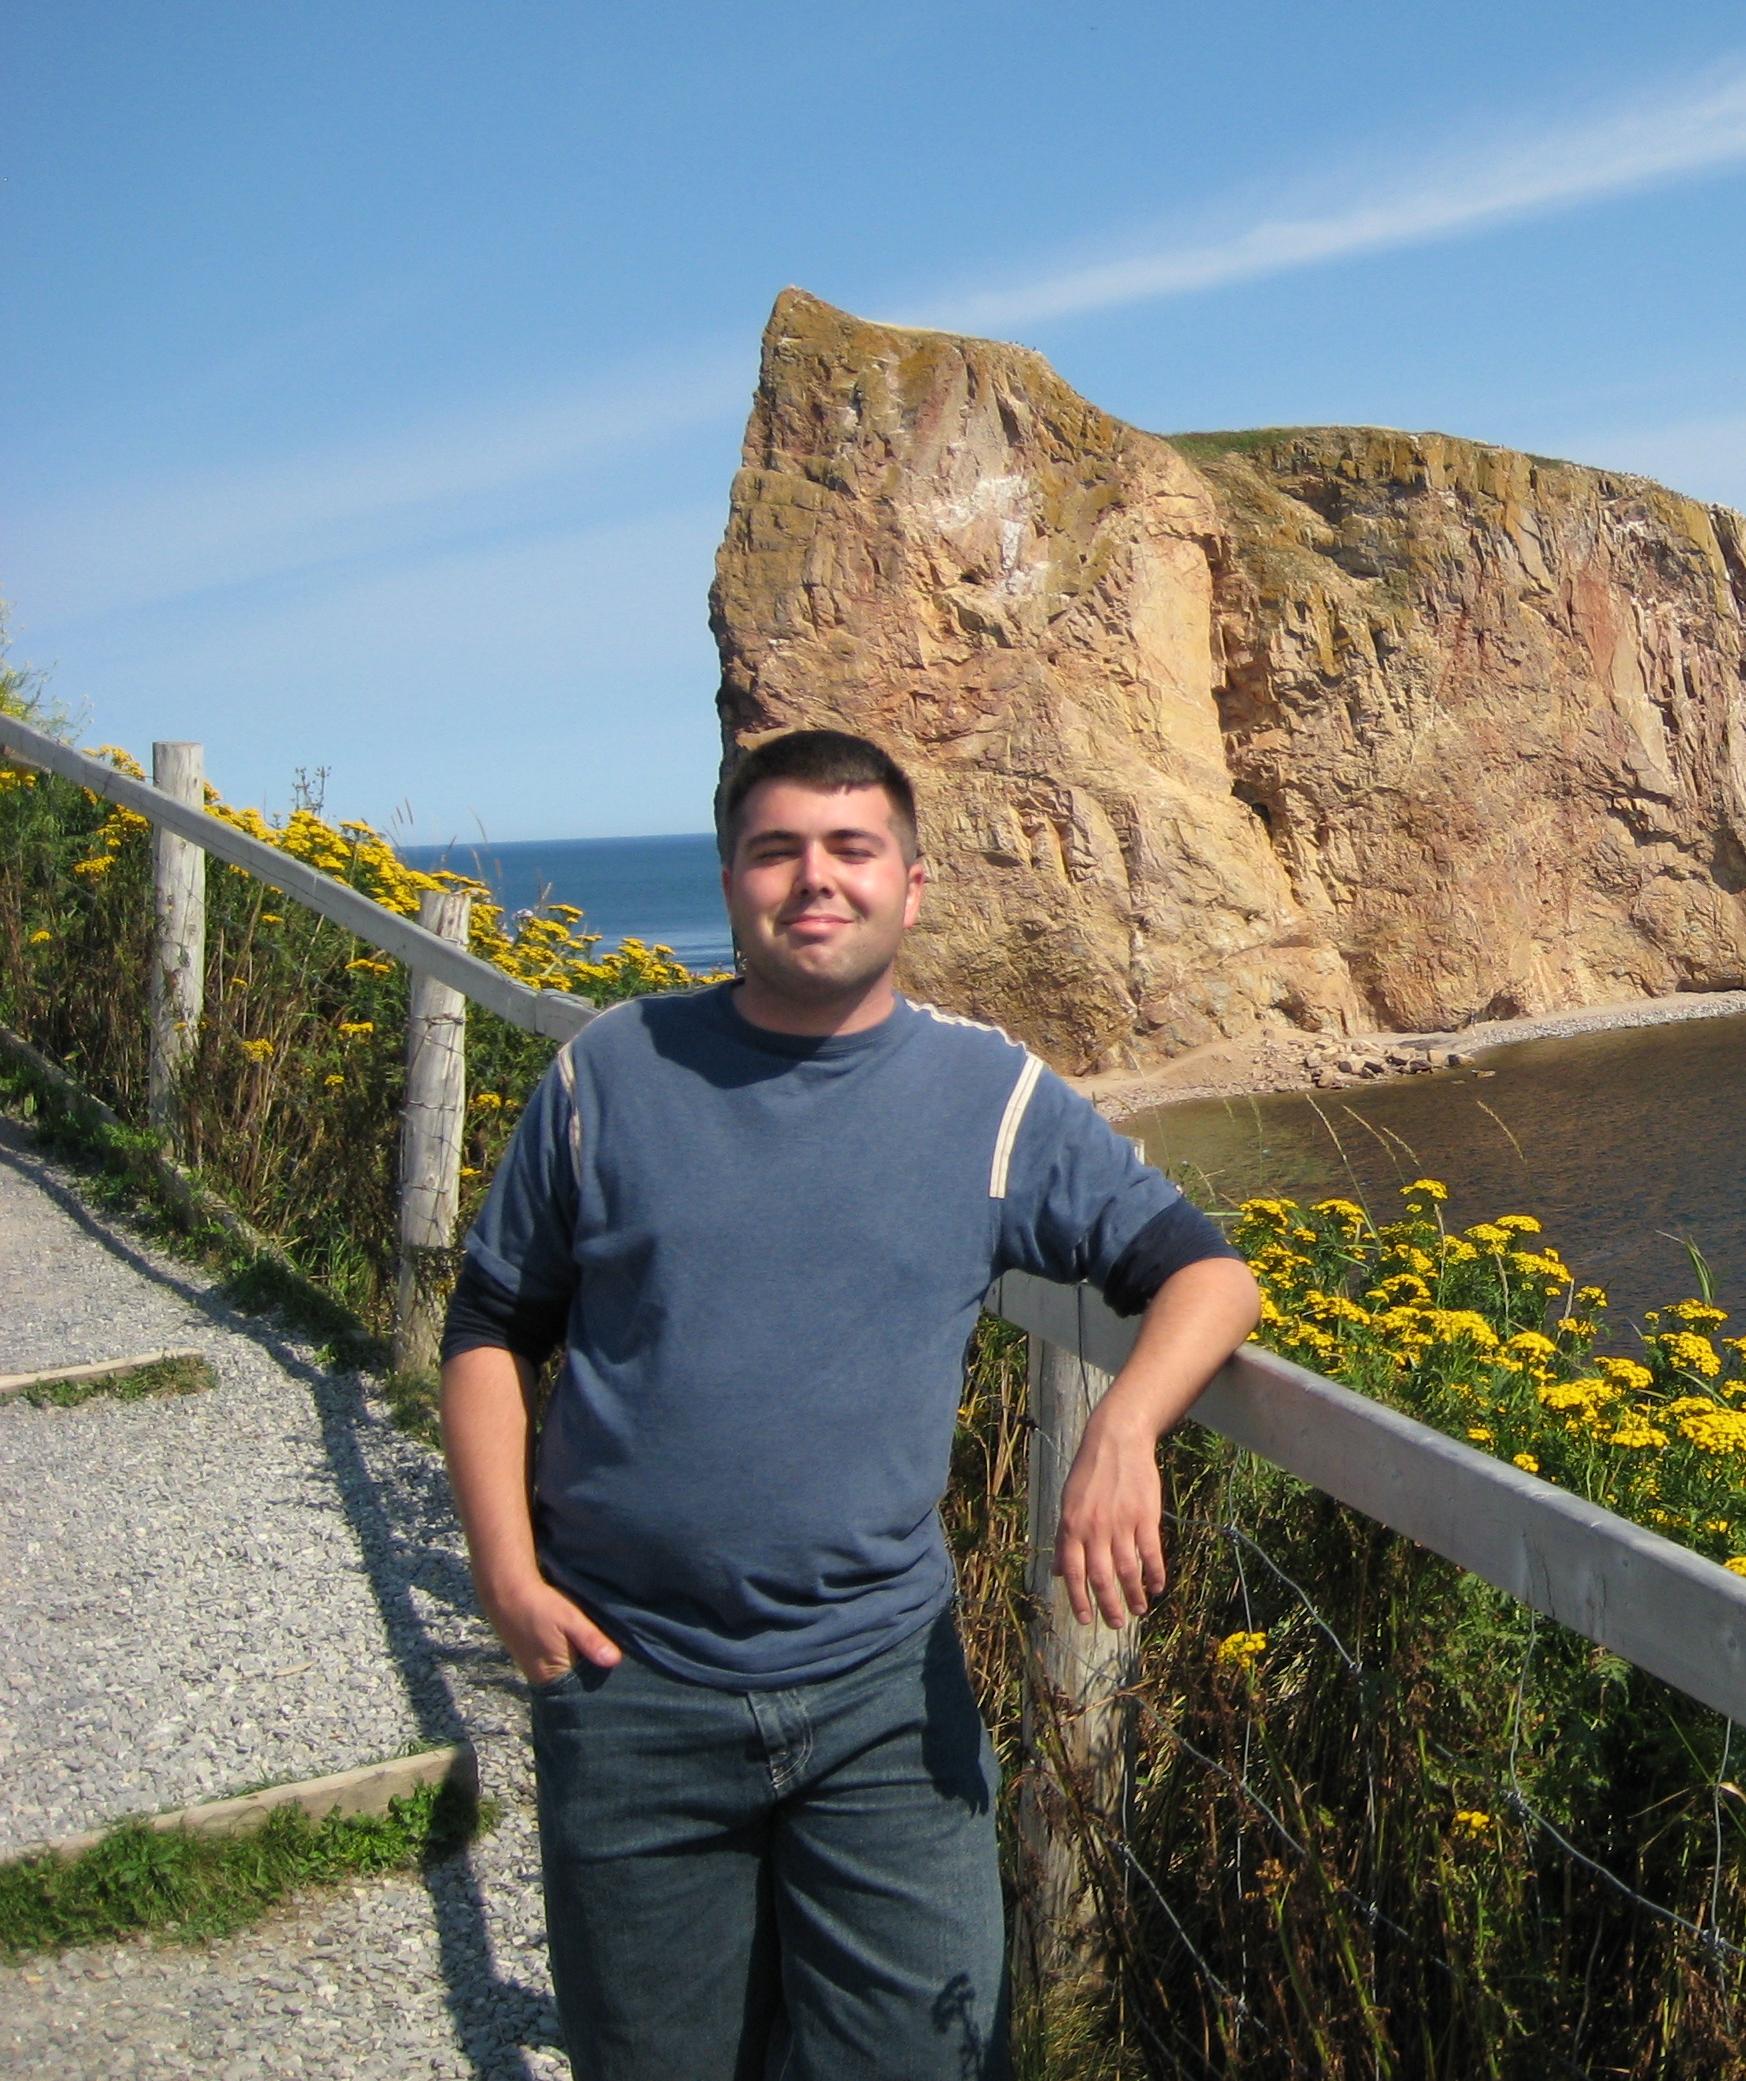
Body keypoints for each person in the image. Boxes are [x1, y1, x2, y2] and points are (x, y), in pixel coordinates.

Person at [440, 727, 1261, 2081]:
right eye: (776, 851)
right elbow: (492, 1327)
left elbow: (1208, 1274)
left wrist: (1124, 1428)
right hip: (629, 1685)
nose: (814, 878)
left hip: (885, 1696)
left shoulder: (990, 1098)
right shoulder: (611, 1072)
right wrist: (504, 1575)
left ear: (911, 887)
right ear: (729, 881)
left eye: (850, 849)